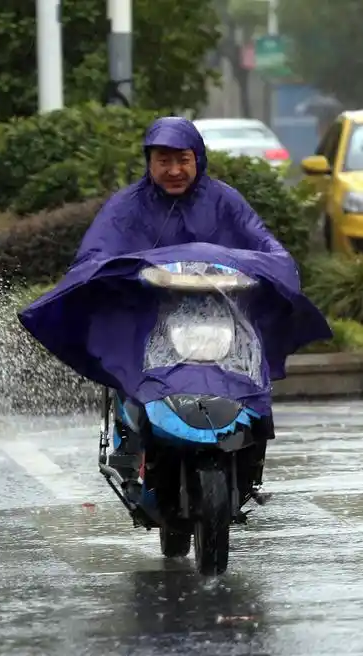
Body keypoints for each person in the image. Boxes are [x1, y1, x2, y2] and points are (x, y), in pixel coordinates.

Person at [81, 116, 289, 492]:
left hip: (222, 313)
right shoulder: (126, 206)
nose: (174, 170)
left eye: (183, 159)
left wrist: (267, 267)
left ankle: (251, 462)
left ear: (198, 159)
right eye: (164, 160)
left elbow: (267, 246)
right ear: (149, 162)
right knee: (126, 363)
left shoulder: (225, 200)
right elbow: (94, 254)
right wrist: (121, 273)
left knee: (251, 368)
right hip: (146, 315)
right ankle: (131, 450)